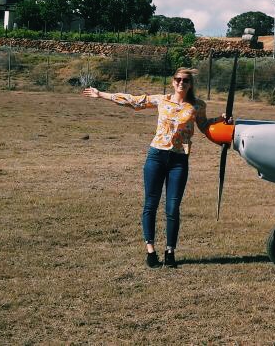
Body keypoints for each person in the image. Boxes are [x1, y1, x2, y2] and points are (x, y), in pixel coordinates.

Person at [82, 67, 214, 269]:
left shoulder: (197, 106)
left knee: (172, 208)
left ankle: (170, 251)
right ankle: (150, 251)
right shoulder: (162, 100)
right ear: (172, 82)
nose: (181, 83)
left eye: (185, 80)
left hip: (179, 160)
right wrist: (101, 94)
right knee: (150, 205)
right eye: (178, 79)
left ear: (190, 84)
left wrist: (223, 123)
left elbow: (205, 126)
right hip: (156, 156)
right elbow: (134, 101)